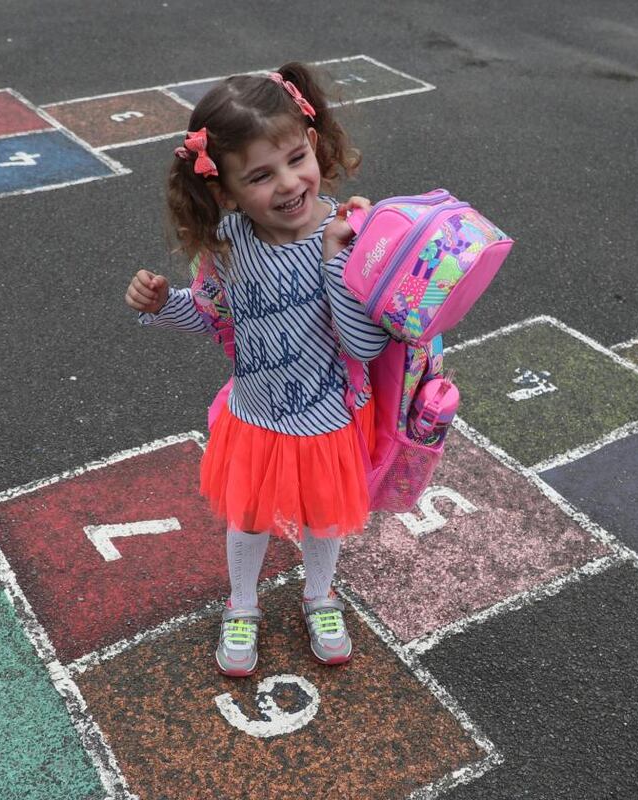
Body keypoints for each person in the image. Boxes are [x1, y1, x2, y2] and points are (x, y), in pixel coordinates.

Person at [125, 62, 390, 677]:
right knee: (246, 517)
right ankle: (242, 603)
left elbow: (364, 345)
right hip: (255, 416)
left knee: (326, 516)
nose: (290, 184)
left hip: (327, 415)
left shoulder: (349, 232)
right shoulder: (228, 244)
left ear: (314, 144)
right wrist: (166, 306)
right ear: (225, 192)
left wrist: (334, 261)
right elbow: (215, 319)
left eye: (298, 159)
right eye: (260, 176)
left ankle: (320, 595)